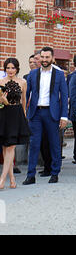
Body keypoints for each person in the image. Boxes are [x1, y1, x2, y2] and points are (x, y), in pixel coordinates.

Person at [23, 47, 69, 185]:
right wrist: (25, 111)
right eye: (42, 57)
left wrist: (64, 116)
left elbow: (65, 95)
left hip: (52, 113)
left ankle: (55, 173)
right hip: (35, 113)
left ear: (52, 58)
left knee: (55, 144)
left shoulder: (59, 74)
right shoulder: (32, 74)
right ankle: (30, 175)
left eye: (47, 57)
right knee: (34, 144)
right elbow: (26, 94)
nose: (44, 60)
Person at [0, 58, 31, 189]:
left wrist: (24, 116)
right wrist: (2, 100)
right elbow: (0, 102)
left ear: (17, 69)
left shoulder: (23, 82)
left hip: (17, 114)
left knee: (11, 146)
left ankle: (2, 179)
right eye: (8, 68)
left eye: (13, 68)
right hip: (4, 114)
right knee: (5, 147)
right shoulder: (0, 82)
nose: (10, 70)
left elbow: (24, 100)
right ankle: (12, 179)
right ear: (5, 69)